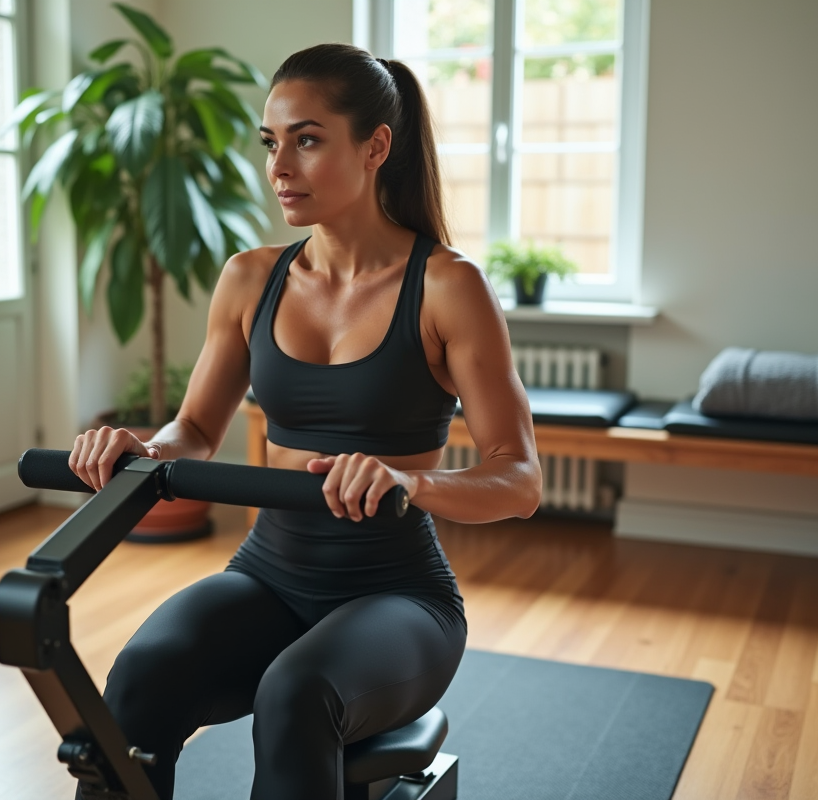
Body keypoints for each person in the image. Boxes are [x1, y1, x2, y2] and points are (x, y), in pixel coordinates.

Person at [68, 42, 541, 800]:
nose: (279, 166)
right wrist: (140, 445)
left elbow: (518, 479)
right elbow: (192, 431)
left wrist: (408, 481)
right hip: (268, 575)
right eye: (271, 143)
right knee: (137, 680)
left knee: (295, 694)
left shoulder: (449, 287)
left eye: (308, 139)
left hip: (398, 596)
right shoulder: (252, 277)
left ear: (376, 146)